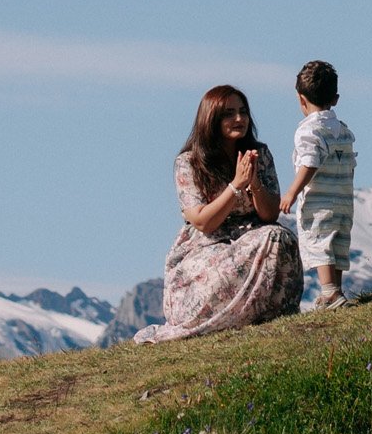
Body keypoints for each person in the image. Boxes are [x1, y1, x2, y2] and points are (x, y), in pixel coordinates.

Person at [134, 83, 302, 342]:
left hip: (253, 236)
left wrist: (254, 182)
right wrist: (235, 185)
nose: (239, 119)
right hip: (207, 246)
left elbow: (270, 215)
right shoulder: (189, 162)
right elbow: (203, 222)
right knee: (266, 239)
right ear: (211, 119)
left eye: (243, 112)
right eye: (229, 113)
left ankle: (264, 314)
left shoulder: (260, 154)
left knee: (278, 237)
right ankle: (219, 316)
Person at [280, 57, 356, 308]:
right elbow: (350, 163)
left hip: (319, 199)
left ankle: (330, 291)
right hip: (343, 197)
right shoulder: (343, 130)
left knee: (320, 241)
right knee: (338, 243)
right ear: (335, 99)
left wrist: (292, 191)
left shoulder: (307, 130)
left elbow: (310, 162)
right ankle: (335, 291)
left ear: (301, 98)